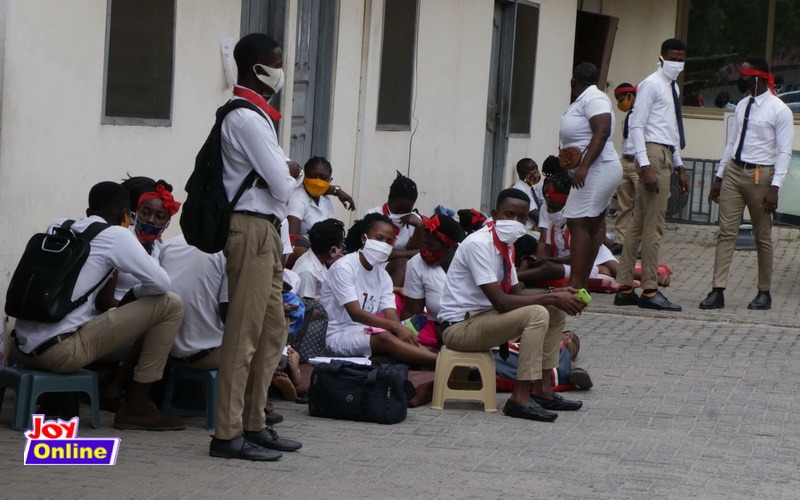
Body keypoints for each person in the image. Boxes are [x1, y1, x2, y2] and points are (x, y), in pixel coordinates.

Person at [10, 181, 186, 431]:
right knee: (171, 304)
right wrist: (135, 294)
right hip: (61, 353)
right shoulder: (118, 235)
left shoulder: (59, 225)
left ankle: (110, 384)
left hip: (20, 347)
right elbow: (161, 283)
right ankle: (136, 405)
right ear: (125, 213)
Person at [210, 33, 303, 462]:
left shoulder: (261, 116)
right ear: (257, 69)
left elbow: (283, 183)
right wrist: (289, 172)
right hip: (249, 229)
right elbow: (284, 183)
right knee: (243, 336)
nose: (282, 71)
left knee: (272, 332)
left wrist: (286, 173)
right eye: (277, 63)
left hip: (268, 229)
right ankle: (227, 434)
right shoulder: (246, 118)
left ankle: (254, 422)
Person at [437, 189, 586, 422]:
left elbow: (517, 292)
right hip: (459, 327)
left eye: (521, 217)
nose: (515, 222)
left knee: (554, 312)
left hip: (485, 317)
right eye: (509, 214)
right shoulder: (479, 244)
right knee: (538, 313)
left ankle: (543, 389)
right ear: (495, 214)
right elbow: (502, 301)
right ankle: (520, 397)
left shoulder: (506, 243)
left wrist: (555, 294)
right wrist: (550, 297)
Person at [699, 57, 794, 311]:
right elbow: (732, 143)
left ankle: (764, 292)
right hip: (733, 172)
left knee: (762, 236)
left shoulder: (779, 109)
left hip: (761, 176)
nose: (739, 79)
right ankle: (717, 290)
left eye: (743, 76)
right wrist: (719, 177)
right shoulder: (741, 105)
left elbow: (784, 151)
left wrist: (775, 187)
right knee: (725, 233)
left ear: (758, 78)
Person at [615, 38, 691, 311]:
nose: (677, 63)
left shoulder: (673, 88)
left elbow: (671, 131)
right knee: (653, 227)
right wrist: (645, 166)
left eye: (682, 59)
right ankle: (649, 290)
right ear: (661, 57)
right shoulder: (651, 84)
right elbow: (637, 125)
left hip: (665, 152)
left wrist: (680, 167)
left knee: (637, 224)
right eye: (672, 57)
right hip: (652, 155)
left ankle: (624, 287)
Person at [318, 213, 438, 367]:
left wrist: (398, 329)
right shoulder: (344, 267)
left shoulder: (382, 275)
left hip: (364, 332)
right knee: (385, 337)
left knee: (396, 336)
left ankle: (439, 362)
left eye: (389, 241)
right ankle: (440, 363)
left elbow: (391, 313)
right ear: (364, 238)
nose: (384, 244)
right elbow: (355, 314)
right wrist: (396, 327)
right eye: (379, 238)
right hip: (336, 335)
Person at [558, 62, 622, 291]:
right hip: (596, 168)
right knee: (592, 225)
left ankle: (575, 283)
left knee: (578, 224)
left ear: (573, 81)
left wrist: (584, 167)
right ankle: (581, 283)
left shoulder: (594, 98)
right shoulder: (587, 98)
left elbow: (602, 131)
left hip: (597, 168)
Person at [160, 234, 227, 370]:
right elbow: (227, 314)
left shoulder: (168, 244)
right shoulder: (226, 253)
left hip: (165, 353)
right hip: (205, 355)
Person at [400, 214, 466, 347]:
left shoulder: (469, 260)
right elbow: (413, 312)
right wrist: (407, 339)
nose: (425, 251)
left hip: (478, 326)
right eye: (423, 244)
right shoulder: (416, 263)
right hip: (442, 336)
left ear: (448, 247)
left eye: (430, 246)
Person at [285, 156, 355, 267]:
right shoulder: (297, 197)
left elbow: (332, 231)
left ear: (330, 181)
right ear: (304, 176)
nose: (317, 182)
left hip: (324, 251)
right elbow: (291, 236)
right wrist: (319, 247)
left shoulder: (325, 200)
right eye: (312, 176)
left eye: (323, 178)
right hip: (303, 250)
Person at [365, 171, 423, 286]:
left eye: (407, 210)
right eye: (399, 209)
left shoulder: (415, 220)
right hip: (374, 265)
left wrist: (420, 227)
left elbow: (415, 254)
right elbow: (379, 252)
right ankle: (393, 301)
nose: (403, 214)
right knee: (402, 264)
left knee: (410, 265)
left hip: (400, 266)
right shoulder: (373, 215)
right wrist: (412, 253)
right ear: (389, 199)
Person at [612, 83, 638, 255]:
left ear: (630, 96)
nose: (620, 103)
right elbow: (625, 141)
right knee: (623, 205)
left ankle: (639, 244)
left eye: (622, 100)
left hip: (639, 163)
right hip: (625, 160)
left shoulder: (645, 114)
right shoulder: (627, 116)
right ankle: (622, 240)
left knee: (642, 205)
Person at [292, 218, 345, 300]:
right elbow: (308, 305)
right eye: (340, 246)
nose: (341, 250)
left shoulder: (321, 261)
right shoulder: (308, 271)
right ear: (332, 249)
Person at [510, 158, 544, 230]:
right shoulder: (520, 190)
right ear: (523, 173)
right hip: (526, 231)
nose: (536, 172)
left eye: (536, 168)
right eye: (532, 169)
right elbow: (534, 215)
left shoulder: (528, 188)